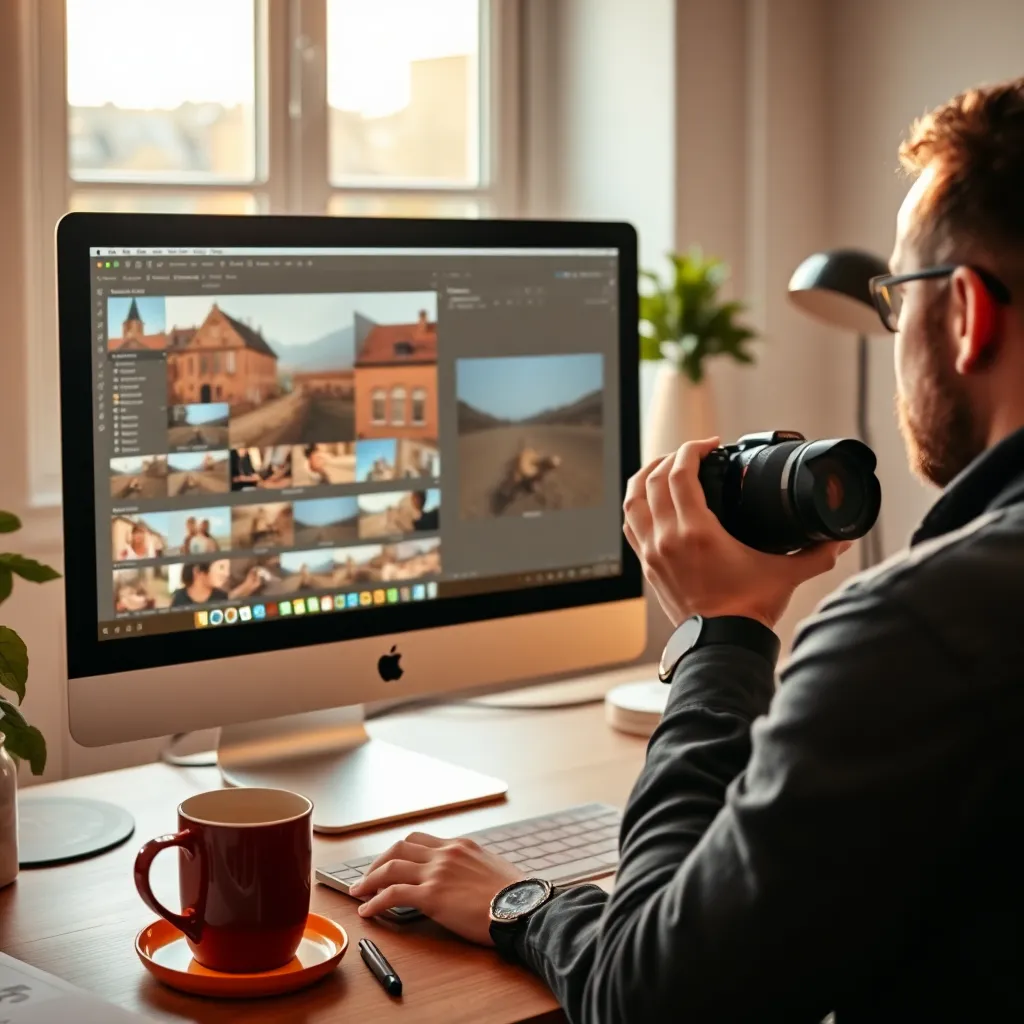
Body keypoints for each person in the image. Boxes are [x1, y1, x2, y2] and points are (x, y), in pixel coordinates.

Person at [348, 77, 1024, 1021]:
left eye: (894, 298)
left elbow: (651, 1000)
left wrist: (724, 630)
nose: (893, 325)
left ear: (961, 314)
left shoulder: (926, 630)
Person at [170, 559, 261, 606]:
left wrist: (248, 586)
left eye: (227, 568)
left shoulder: (221, 595)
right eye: (221, 567)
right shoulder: (178, 598)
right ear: (198, 571)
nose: (227, 574)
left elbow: (230, 598)